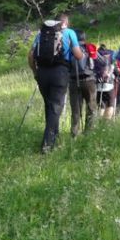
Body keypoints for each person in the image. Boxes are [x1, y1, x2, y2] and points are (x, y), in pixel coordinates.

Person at [27, 13, 82, 153]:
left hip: (42, 73)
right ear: (66, 22)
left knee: (49, 105)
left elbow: (30, 55)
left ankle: (54, 137)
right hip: (60, 73)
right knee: (55, 107)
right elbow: (78, 55)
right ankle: (47, 145)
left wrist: (35, 72)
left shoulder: (41, 33)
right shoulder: (69, 33)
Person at [69, 30, 97, 137]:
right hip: (89, 80)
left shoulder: (70, 49)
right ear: (84, 38)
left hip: (73, 81)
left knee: (76, 110)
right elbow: (99, 62)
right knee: (91, 108)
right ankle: (89, 133)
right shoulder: (89, 47)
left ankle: (74, 134)